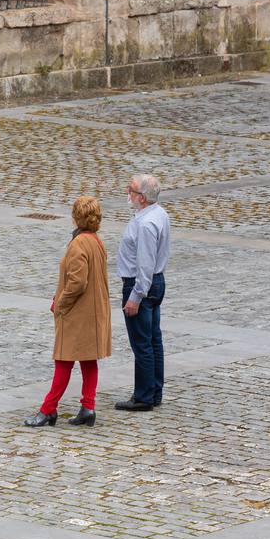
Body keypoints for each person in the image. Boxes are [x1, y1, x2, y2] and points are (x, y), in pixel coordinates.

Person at [23, 196, 112, 428]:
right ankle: (88, 407)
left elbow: (77, 283)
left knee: (63, 361)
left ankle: (48, 410)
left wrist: (60, 303)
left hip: (78, 314)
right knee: (88, 360)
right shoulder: (96, 241)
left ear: (75, 217)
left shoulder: (79, 244)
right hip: (92, 313)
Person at [115, 173, 170, 412]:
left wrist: (135, 296)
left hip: (141, 285)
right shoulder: (158, 214)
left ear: (143, 198)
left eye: (132, 190)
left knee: (143, 344)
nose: (128, 193)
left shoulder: (146, 224)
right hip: (156, 282)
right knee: (153, 339)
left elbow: (145, 264)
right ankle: (154, 390)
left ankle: (144, 396)